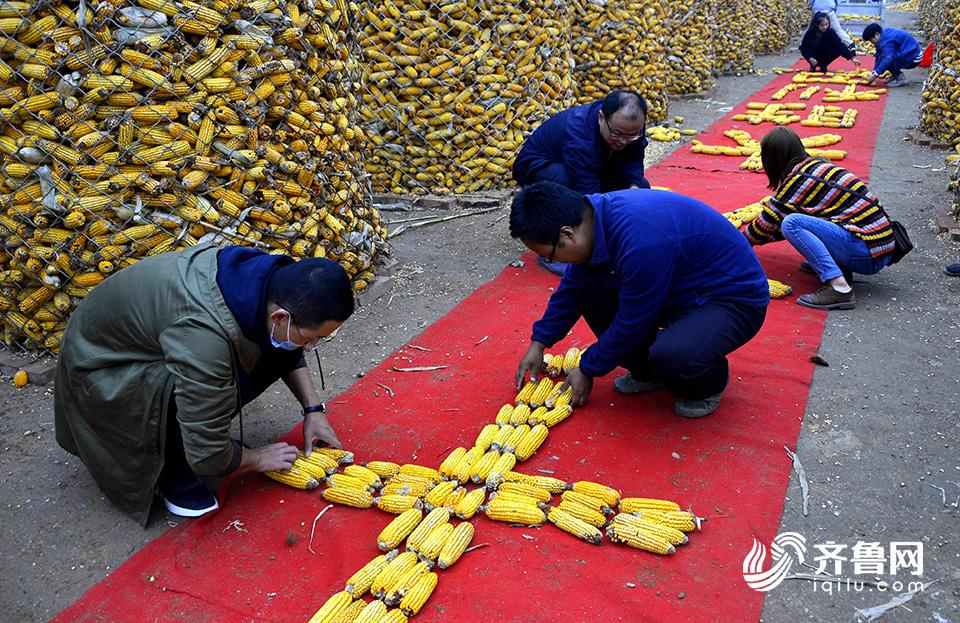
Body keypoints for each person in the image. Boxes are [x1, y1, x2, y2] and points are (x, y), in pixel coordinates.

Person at [55, 244, 354, 524]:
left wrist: (313, 410)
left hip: (144, 343)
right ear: (280, 316)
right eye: (312, 337)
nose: (313, 346)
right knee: (216, 392)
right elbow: (207, 453)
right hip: (100, 376)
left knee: (260, 356)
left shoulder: (265, 280)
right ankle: (173, 475)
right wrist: (254, 458)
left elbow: (283, 347)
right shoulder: (204, 338)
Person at [511, 182, 769, 419]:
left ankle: (708, 384)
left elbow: (633, 320)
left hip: (731, 299)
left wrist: (588, 368)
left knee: (675, 353)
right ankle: (649, 372)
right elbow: (572, 290)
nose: (554, 263)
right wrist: (540, 343)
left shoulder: (640, 242)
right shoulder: (589, 222)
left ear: (567, 235)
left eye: (551, 256)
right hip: (678, 288)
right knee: (590, 292)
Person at [744, 128, 896, 310]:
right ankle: (840, 267)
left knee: (792, 223)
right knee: (797, 219)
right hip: (880, 246)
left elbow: (767, 223)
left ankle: (840, 289)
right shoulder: (817, 167)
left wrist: (739, 241)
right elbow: (774, 224)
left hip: (869, 252)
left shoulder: (799, 180)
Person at [512, 91, 651, 275]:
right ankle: (554, 246)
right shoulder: (579, 132)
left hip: (586, 167)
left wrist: (634, 187)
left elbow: (633, 162)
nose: (624, 141)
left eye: (632, 135)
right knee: (569, 189)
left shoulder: (631, 127)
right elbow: (587, 191)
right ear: (601, 117)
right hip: (540, 169)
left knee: (640, 187)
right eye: (617, 134)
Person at [863, 23, 922, 88]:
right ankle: (895, 75)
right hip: (908, 52)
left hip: (914, 56)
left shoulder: (886, 42)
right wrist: (874, 71)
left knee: (887, 60)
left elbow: (888, 58)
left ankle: (901, 79)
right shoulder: (883, 35)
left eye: (871, 40)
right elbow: (878, 55)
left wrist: (875, 75)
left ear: (877, 34)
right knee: (884, 58)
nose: (872, 43)